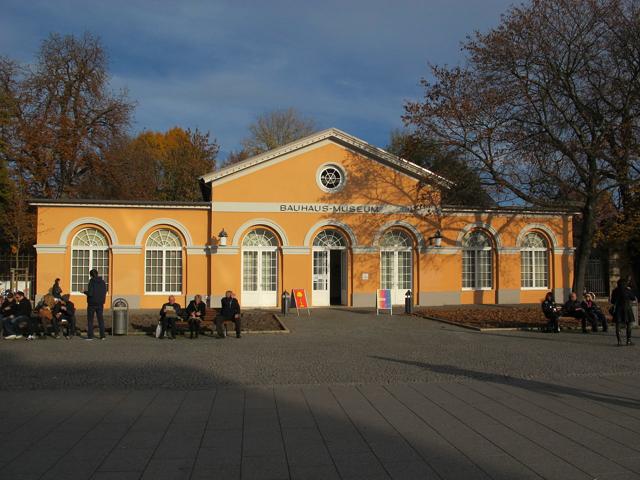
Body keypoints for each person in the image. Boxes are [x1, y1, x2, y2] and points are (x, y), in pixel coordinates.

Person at [610, 278, 637, 346]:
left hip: (618, 309)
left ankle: (619, 342)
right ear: (625, 284)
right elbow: (633, 298)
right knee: (629, 324)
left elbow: (612, 301)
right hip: (627, 308)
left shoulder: (615, 291)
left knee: (618, 325)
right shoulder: (627, 290)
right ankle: (628, 341)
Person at [84, 269, 107, 340]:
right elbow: (104, 292)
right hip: (100, 303)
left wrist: (85, 292)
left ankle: (90, 336)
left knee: (90, 320)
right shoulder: (103, 282)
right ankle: (102, 336)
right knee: (100, 319)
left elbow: (90, 293)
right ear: (97, 273)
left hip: (92, 303)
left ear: (91, 275)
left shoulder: (91, 281)